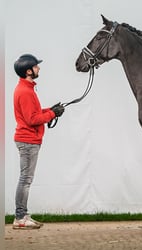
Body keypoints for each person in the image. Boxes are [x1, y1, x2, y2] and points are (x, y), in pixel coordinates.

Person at [12, 54, 65, 229]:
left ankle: (23, 215)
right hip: (28, 141)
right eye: (36, 66)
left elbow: (33, 112)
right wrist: (53, 114)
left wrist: (49, 110)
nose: (39, 68)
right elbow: (32, 119)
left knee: (26, 179)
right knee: (25, 179)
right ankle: (20, 217)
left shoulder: (26, 89)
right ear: (28, 71)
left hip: (29, 140)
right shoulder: (25, 91)